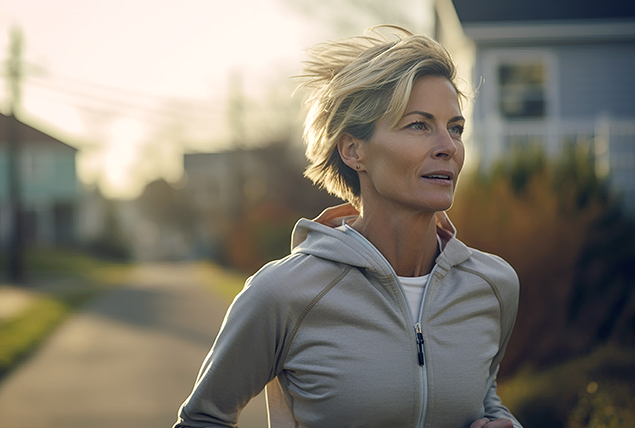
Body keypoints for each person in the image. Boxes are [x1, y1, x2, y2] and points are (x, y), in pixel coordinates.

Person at [174, 25, 522, 428]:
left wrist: (504, 423)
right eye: (419, 125)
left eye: (455, 128)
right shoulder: (283, 294)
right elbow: (203, 420)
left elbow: (485, 398)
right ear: (354, 150)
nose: (448, 146)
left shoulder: (494, 285)